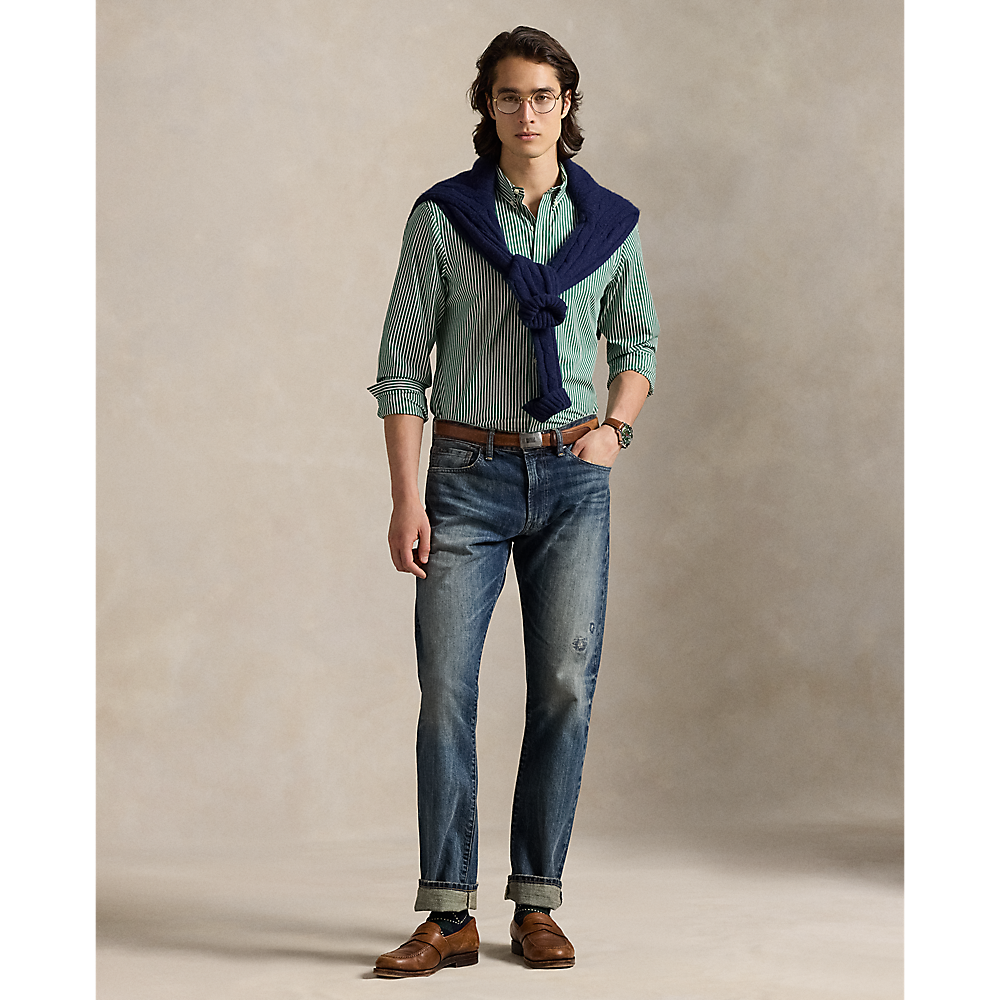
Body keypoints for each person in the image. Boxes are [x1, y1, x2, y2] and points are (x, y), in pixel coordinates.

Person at [367, 26, 659, 977]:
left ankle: (537, 902)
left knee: (565, 689)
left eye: (542, 96)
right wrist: (406, 500)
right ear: (486, 107)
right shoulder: (443, 220)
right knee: (446, 692)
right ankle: (448, 913)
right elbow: (402, 370)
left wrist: (614, 429)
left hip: (572, 482)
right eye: (508, 96)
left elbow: (638, 345)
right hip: (465, 477)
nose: (526, 113)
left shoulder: (609, 226)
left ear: (566, 106)